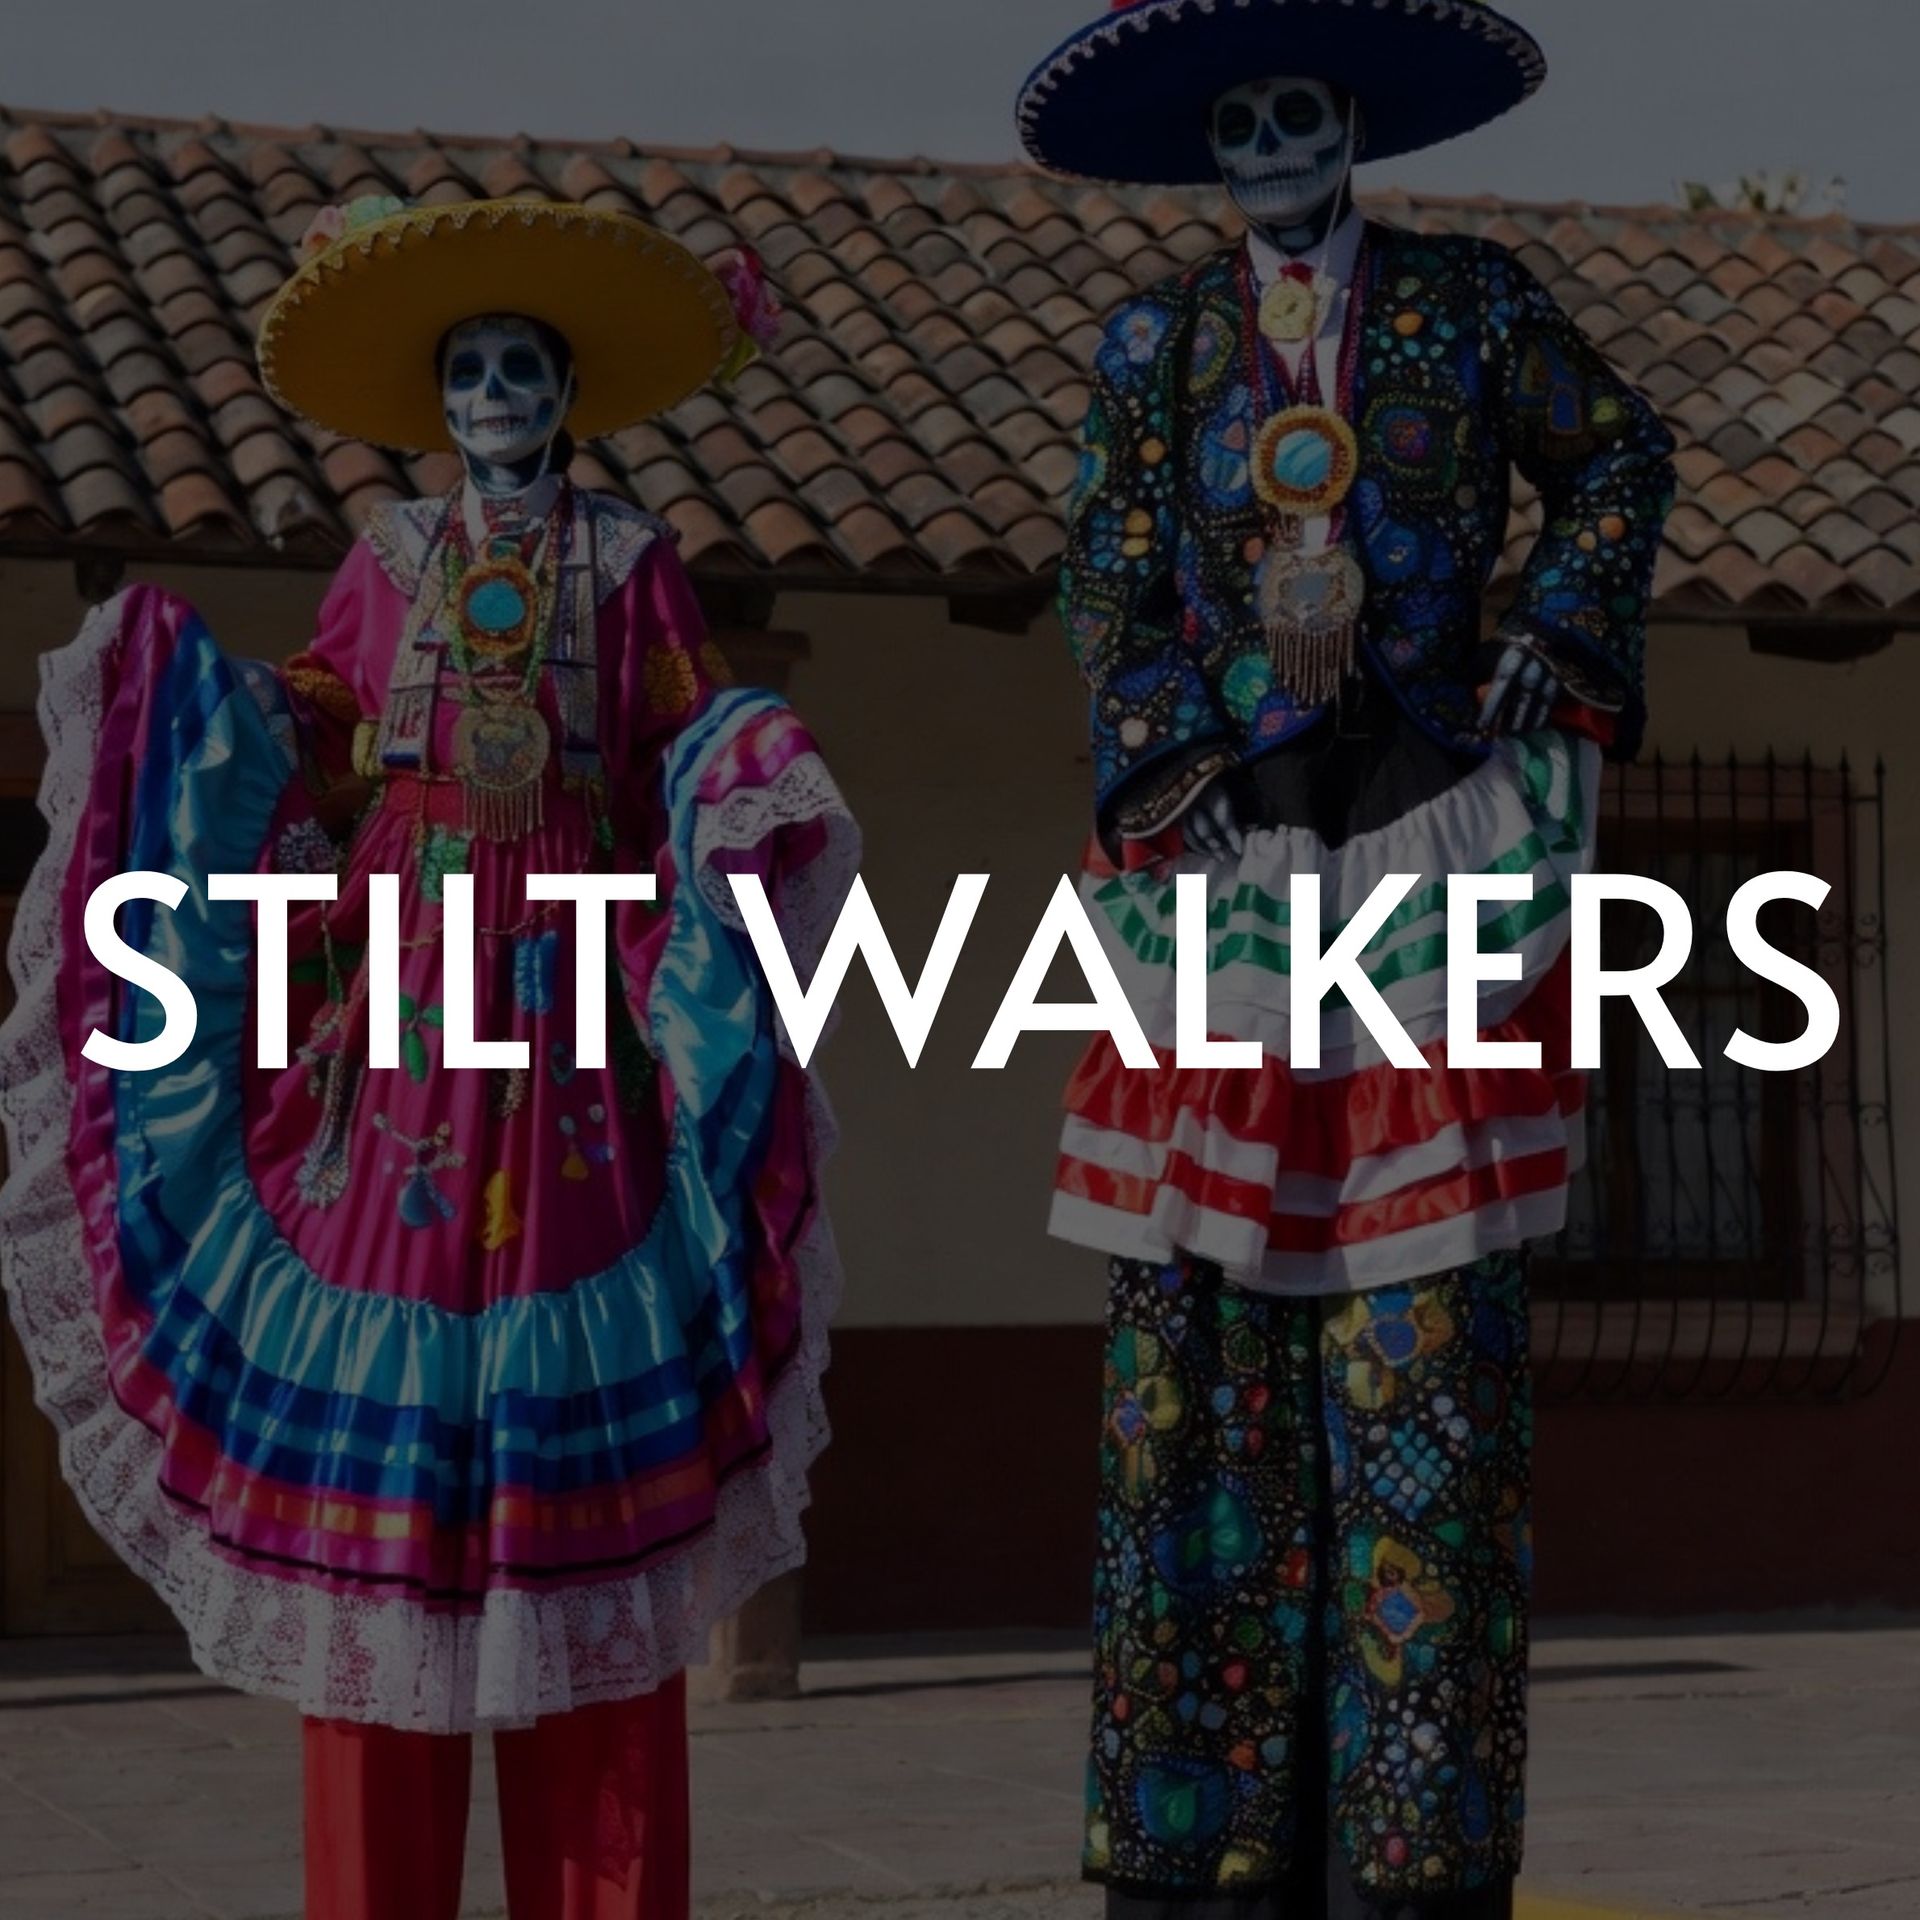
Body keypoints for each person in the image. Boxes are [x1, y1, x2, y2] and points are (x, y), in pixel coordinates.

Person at [0, 194, 856, 1920]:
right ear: (435, 394)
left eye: (519, 363)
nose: (491, 391)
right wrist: (190, 699)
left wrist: (749, 753)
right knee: (374, 1502)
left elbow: (691, 734)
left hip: (578, 1045)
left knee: (581, 1490)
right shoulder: (383, 559)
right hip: (397, 1038)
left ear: (566, 387)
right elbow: (315, 729)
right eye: (465, 366)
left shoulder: (635, 565)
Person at [1017, 4, 1676, 1916]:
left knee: (1427, 1374)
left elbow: (1620, 451)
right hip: (1220, 854)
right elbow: (1109, 563)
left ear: (1352, 125)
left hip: (1429, 823)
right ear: (1210, 149)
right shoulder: (1154, 344)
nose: (1270, 143)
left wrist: (1554, 637)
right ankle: (1191, 1852)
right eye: (1238, 120)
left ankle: (1415, 1853)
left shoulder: (1474, 304)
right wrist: (1163, 746)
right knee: (1197, 1362)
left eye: (1297, 109)